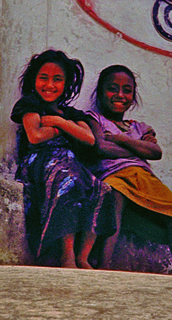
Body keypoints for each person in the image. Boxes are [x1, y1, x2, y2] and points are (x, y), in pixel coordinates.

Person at [11, 50, 110, 268]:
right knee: (68, 182)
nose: (50, 85)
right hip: (40, 162)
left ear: (66, 84)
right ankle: (67, 256)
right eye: (43, 78)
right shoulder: (30, 104)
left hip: (70, 162)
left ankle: (83, 257)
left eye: (57, 79)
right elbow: (35, 136)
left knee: (101, 189)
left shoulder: (71, 114)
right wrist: (66, 129)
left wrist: (57, 122)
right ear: (34, 79)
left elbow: (89, 138)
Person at [88, 65, 172, 275]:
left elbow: (154, 151)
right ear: (100, 92)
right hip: (112, 175)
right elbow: (100, 147)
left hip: (144, 178)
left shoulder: (141, 127)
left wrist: (119, 139)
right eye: (112, 88)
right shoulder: (93, 119)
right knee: (115, 196)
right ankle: (104, 268)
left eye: (127, 90)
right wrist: (137, 149)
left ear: (133, 97)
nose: (120, 95)